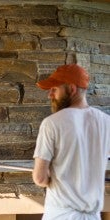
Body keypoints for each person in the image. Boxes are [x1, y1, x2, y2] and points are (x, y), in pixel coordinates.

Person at [32, 63, 110, 219]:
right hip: (93, 216)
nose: (50, 95)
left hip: (61, 215)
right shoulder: (106, 122)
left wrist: (49, 177)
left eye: (54, 89)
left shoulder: (52, 123)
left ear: (72, 89)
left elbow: (40, 178)